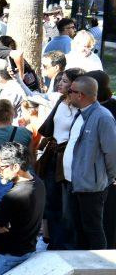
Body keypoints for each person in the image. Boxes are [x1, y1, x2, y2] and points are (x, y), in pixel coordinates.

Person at [63, 76, 116, 249]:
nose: (67, 93)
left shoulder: (103, 117)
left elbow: (112, 151)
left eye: (71, 91)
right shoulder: (81, 113)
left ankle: (100, 271)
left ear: (81, 95)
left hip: (91, 186)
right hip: (75, 182)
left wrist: (108, 178)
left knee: (92, 230)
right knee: (78, 229)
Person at [0, 142, 45, 275]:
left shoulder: (14, 196)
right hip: (27, 254)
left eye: (0, 167)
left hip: (5, 260)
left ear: (16, 167)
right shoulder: (39, 184)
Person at [37, 68, 81, 249]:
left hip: (67, 160)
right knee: (50, 201)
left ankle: (63, 242)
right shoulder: (61, 101)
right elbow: (49, 128)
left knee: (65, 204)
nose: (59, 83)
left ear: (74, 85)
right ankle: (51, 239)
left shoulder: (81, 107)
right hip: (52, 156)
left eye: (64, 81)